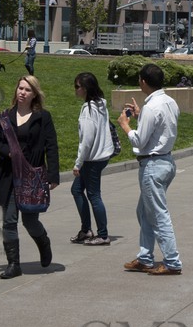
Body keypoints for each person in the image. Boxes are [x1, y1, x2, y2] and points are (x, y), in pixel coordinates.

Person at [0, 74, 61, 279]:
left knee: (30, 220)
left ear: (34, 94)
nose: (22, 92)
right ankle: (14, 264)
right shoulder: (6, 116)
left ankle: (43, 243)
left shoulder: (43, 117)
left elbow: (51, 146)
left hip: (33, 176)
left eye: (27, 90)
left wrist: (52, 174)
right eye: (20, 88)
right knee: (9, 221)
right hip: (9, 176)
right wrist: (7, 151)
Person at [120, 63, 182, 275]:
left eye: (139, 80)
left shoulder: (151, 107)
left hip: (153, 165)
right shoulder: (169, 102)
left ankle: (172, 261)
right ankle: (145, 257)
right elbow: (160, 129)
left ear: (143, 82)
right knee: (145, 212)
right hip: (166, 162)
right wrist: (140, 117)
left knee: (157, 214)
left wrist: (125, 125)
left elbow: (140, 140)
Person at [69, 72, 115, 245]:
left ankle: (102, 235)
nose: (76, 90)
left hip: (92, 158)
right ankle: (86, 230)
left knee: (94, 195)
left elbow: (86, 141)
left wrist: (77, 164)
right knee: (76, 190)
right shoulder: (100, 103)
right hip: (101, 155)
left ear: (86, 88)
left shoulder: (89, 109)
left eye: (77, 86)